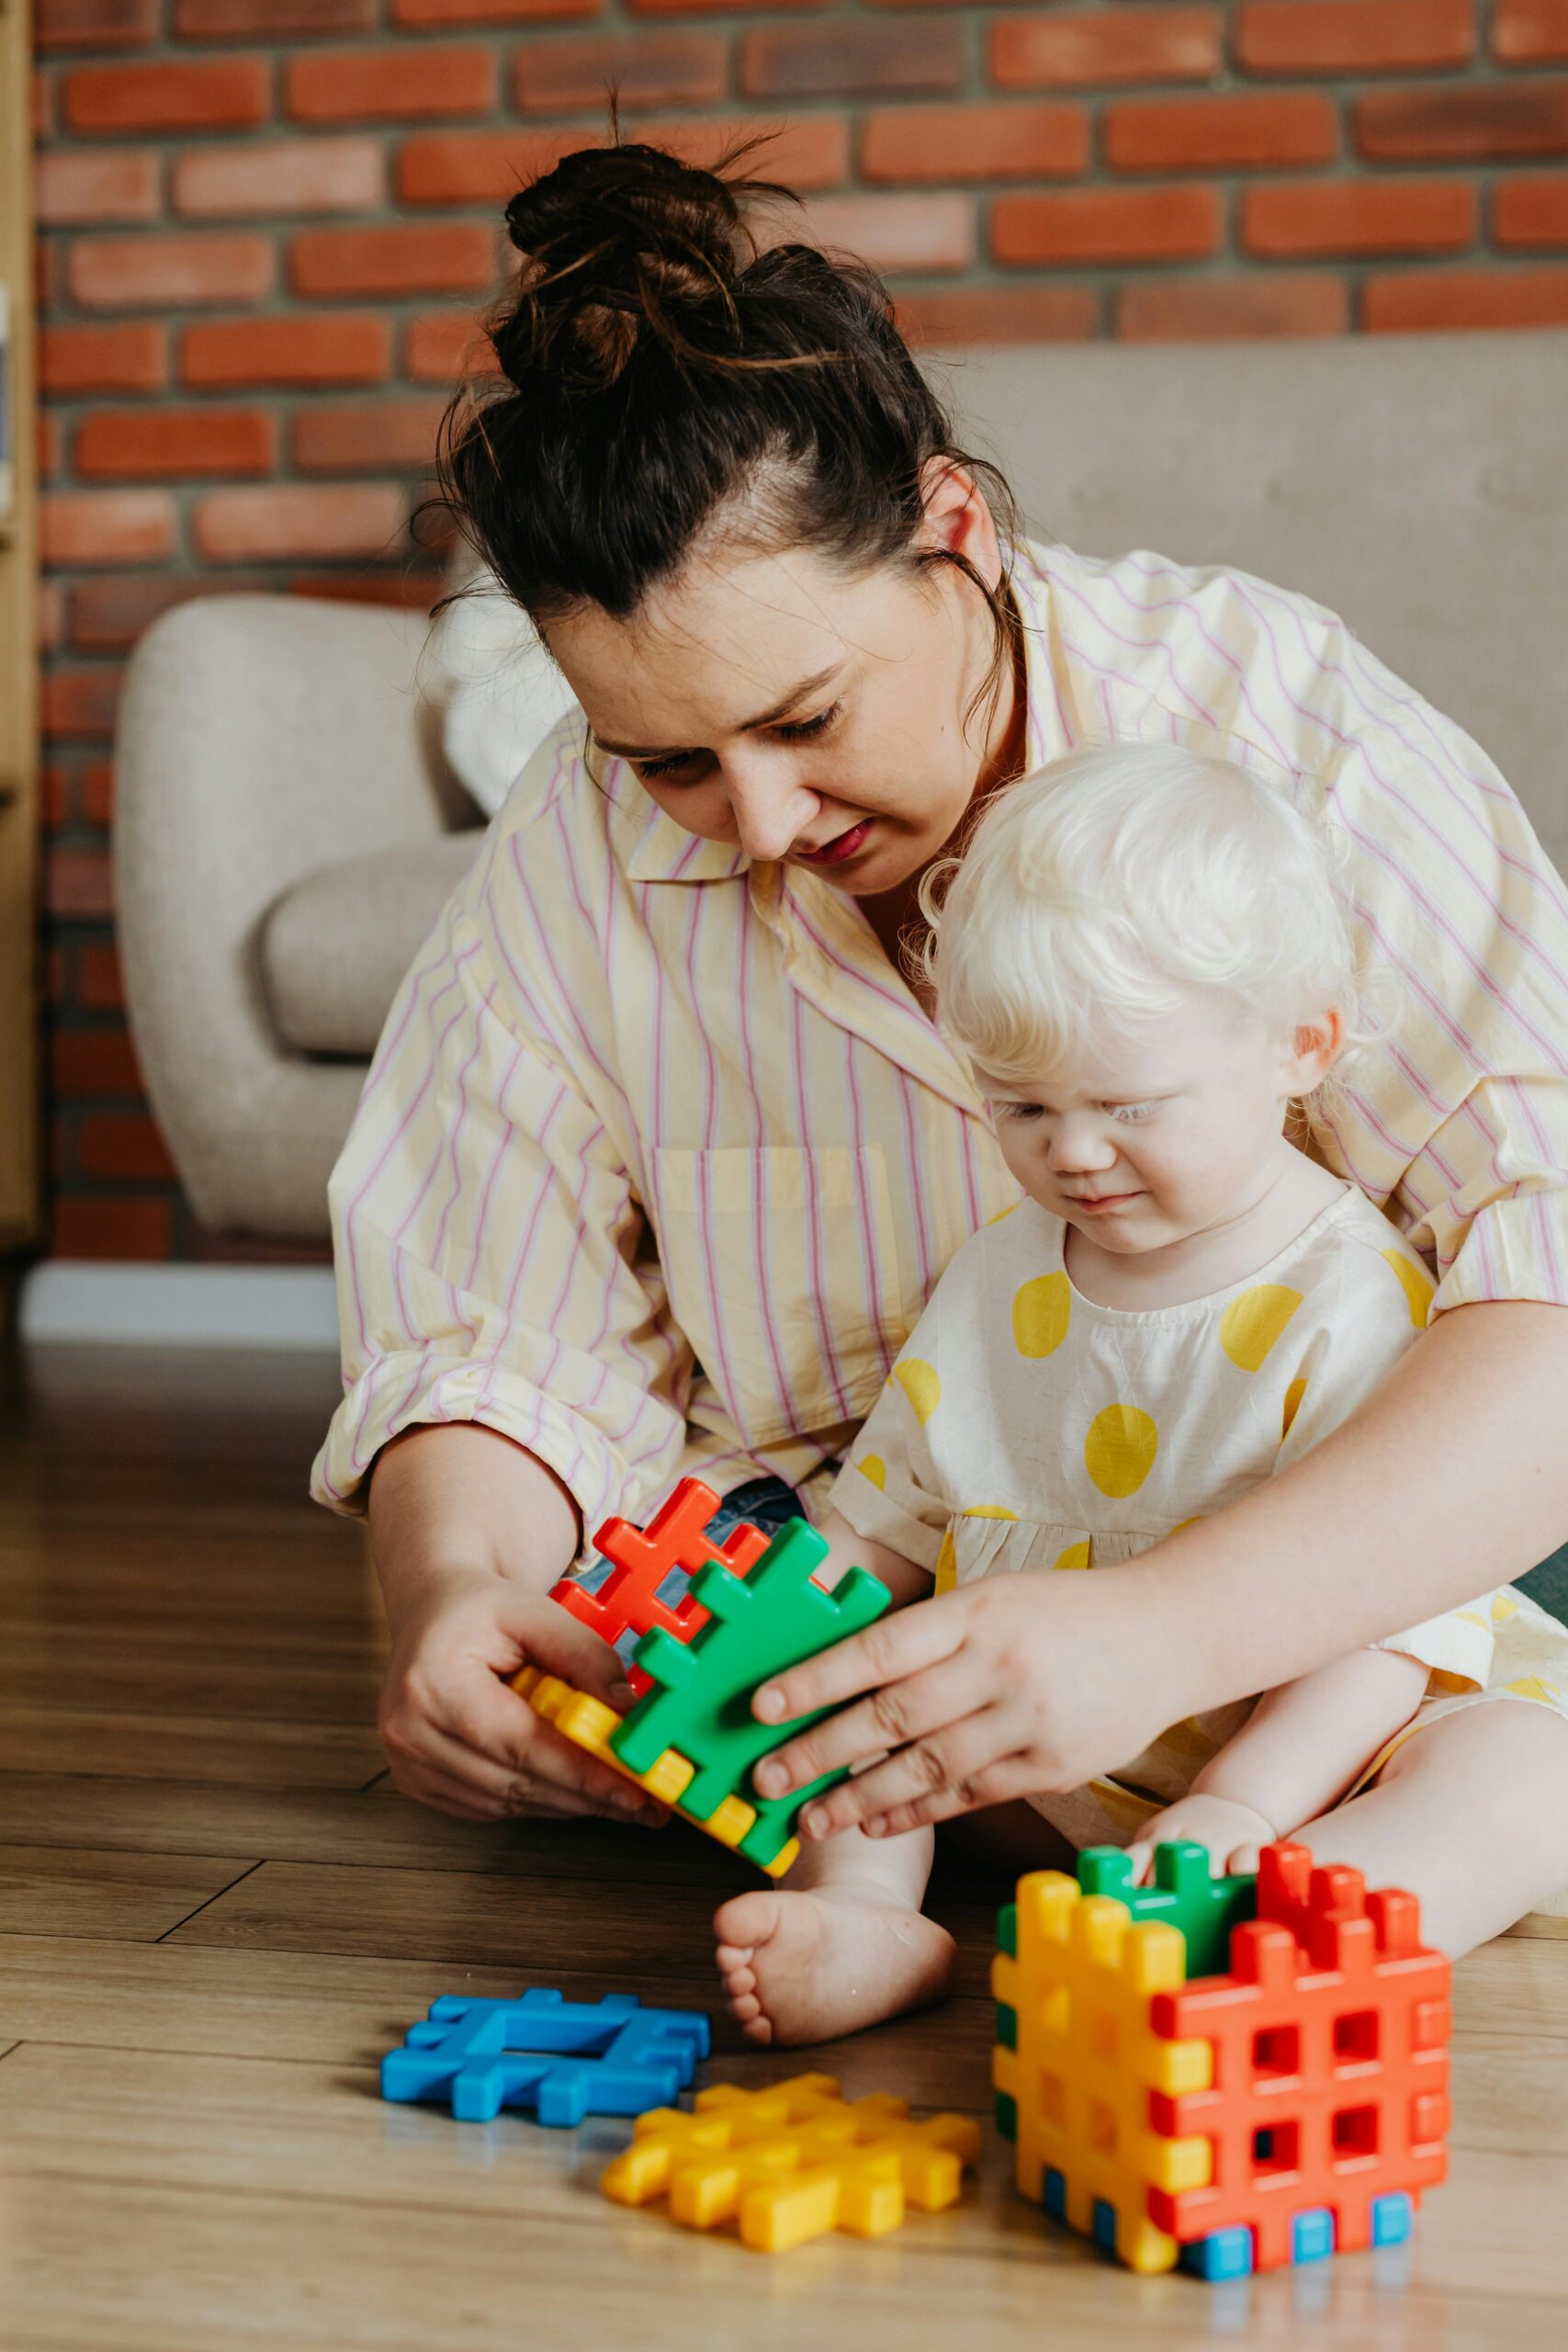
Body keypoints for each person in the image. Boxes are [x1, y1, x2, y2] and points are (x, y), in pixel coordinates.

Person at [310, 139, 1568, 1978]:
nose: (748, 823)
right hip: (910, 1558)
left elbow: (1541, 1272)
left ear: (955, 529)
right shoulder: (574, 850)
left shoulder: (1272, 730)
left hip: (1317, 1551)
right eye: (664, 757)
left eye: (803, 715)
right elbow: (489, 1321)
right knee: (711, 1628)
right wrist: (447, 1586)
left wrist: (1159, 1629)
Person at [710, 747, 1568, 2045]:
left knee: (1525, 1777)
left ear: (1301, 1047)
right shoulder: (997, 1280)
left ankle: (1310, 1937)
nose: (1074, 1152)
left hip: (1328, 1755)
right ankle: (872, 1913)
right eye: (1021, 1105)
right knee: (860, 1679)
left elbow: (1383, 1630)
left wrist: (1241, 1807)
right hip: (1070, 1763)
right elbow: (884, 1523)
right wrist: (765, 1641)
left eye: (1126, 1104)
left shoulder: (1350, 1291)